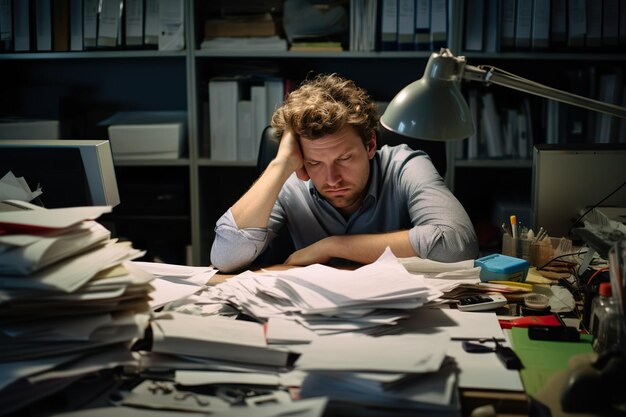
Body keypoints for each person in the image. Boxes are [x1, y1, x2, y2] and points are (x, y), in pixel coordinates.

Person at [211, 73, 478, 272]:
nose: (332, 179)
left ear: (370, 144)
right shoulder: (290, 179)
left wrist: (334, 245)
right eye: (315, 163)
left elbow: (457, 245)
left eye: (345, 158)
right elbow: (225, 257)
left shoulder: (405, 165)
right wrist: (280, 164)